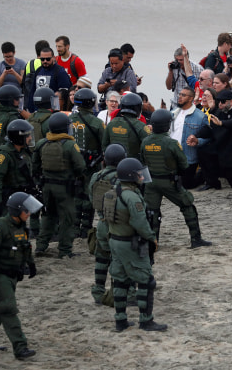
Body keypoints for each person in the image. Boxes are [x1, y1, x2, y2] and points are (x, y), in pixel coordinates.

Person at [102, 157, 167, 332]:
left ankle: (120, 320)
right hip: (131, 243)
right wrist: (152, 238)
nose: (141, 177)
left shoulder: (111, 192)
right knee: (146, 280)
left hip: (114, 240)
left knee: (120, 280)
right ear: (131, 176)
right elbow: (140, 223)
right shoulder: (132, 197)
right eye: (139, 174)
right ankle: (146, 320)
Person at [0, 192, 40, 360]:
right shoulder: (0, 227)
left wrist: (30, 263)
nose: (29, 214)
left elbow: (25, 247)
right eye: (27, 211)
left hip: (12, 275)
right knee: (8, 308)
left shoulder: (21, 227)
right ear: (17, 211)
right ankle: (20, 347)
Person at [141, 109, 212, 248]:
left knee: (152, 212)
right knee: (188, 206)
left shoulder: (145, 142)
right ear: (167, 125)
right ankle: (196, 239)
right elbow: (184, 164)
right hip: (169, 182)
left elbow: (143, 161)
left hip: (151, 182)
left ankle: (152, 242)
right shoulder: (171, 143)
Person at [33, 113, 86, 258]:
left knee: (48, 216)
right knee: (67, 219)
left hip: (46, 187)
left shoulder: (42, 143)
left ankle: (41, 246)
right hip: (65, 188)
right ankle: (65, 250)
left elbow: (35, 166)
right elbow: (80, 166)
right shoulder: (69, 145)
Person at [188, 89, 232, 189]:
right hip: (220, 146)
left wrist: (222, 123)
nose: (220, 104)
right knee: (203, 151)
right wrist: (196, 136)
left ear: (231, 101)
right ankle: (211, 183)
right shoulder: (220, 112)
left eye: (223, 102)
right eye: (219, 101)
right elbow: (209, 127)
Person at [88, 143, 127, 305]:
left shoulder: (96, 177)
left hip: (102, 223)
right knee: (122, 260)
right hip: (118, 225)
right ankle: (123, 292)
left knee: (101, 258)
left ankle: (98, 290)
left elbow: (91, 197)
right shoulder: (123, 178)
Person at [68, 88, 104, 238]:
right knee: (89, 195)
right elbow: (105, 145)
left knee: (75, 195)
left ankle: (75, 227)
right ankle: (85, 228)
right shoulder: (97, 123)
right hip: (91, 165)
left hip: (72, 164)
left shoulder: (69, 119)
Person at [0, 119, 35, 219]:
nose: (30, 138)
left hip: (21, 192)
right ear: (19, 138)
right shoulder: (4, 154)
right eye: (27, 136)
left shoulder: (24, 152)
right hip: (8, 195)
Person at [170, 87, 209, 189]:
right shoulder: (172, 113)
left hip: (188, 157)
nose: (180, 97)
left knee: (187, 185)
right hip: (171, 155)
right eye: (180, 94)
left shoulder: (200, 116)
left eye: (183, 95)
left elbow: (209, 137)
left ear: (191, 98)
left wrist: (197, 141)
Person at [102, 93, 150, 160]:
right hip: (133, 165)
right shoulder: (141, 126)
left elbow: (104, 145)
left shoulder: (112, 123)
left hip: (113, 164)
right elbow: (148, 148)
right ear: (138, 108)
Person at [27, 47, 72, 113]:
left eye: (48, 59)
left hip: (52, 111)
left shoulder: (60, 72)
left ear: (53, 58)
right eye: (42, 59)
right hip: (37, 110)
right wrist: (30, 109)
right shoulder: (38, 71)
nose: (45, 61)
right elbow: (33, 91)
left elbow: (65, 93)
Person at [0, 85, 23, 151]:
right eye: (17, 99)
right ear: (11, 101)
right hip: (8, 153)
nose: (19, 102)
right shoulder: (12, 118)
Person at [21, 40, 49, 114]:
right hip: (44, 103)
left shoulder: (29, 63)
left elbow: (23, 83)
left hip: (29, 102)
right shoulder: (48, 64)